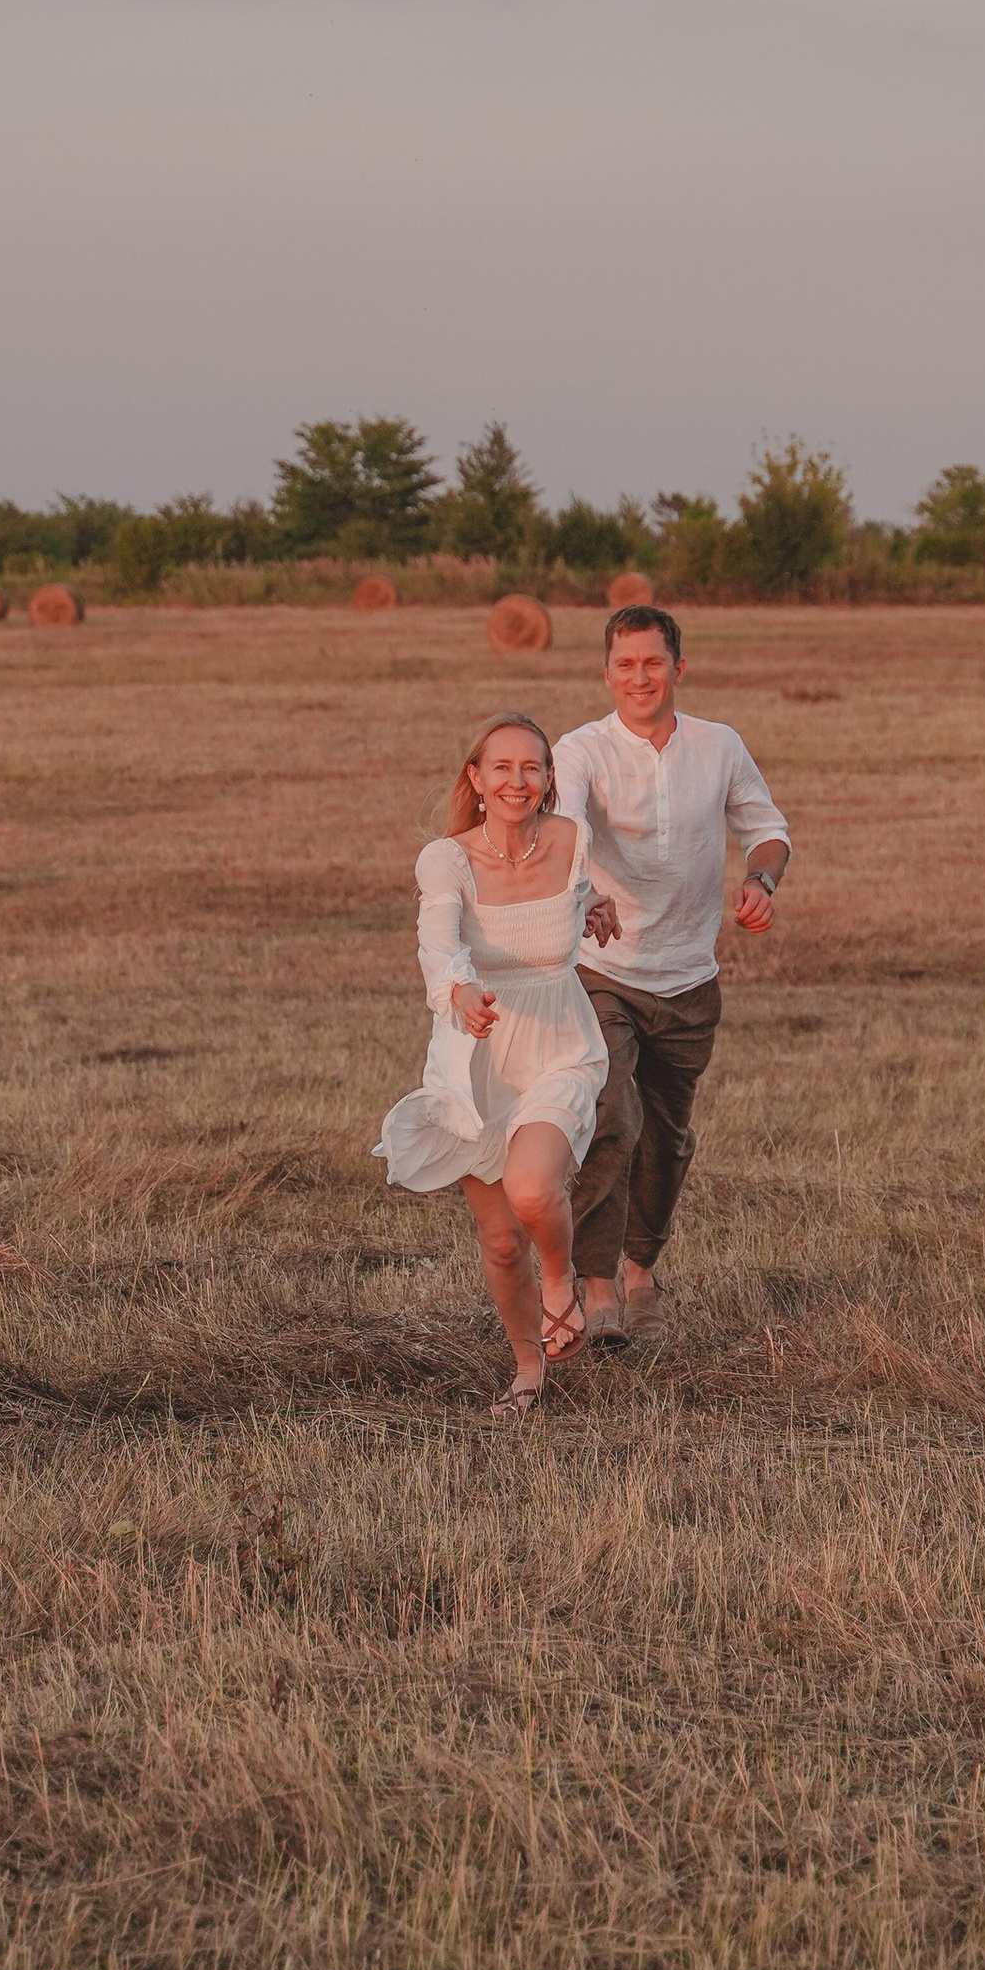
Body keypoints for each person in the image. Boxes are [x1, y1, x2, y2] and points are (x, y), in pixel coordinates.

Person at [551, 603, 790, 1346]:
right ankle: (598, 1292)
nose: (639, 677)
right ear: (607, 673)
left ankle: (641, 1272)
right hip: (602, 972)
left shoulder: (719, 747)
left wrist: (762, 882)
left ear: (679, 668)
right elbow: (564, 827)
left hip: (690, 979)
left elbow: (768, 829)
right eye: (625, 664)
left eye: (653, 662)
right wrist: (582, 892)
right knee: (610, 1122)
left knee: (667, 1135)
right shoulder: (582, 748)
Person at [375, 711, 612, 1414]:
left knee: (534, 1189)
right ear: (475, 780)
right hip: (481, 1056)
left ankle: (563, 1281)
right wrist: (458, 988)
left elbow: (572, 895)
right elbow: (438, 941)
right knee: (502, 1242)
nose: (518, 780)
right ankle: (528, 1369)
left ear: (547, 782)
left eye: (532, 768)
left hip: (561, 1047)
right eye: (501, 768)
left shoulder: (571, 840)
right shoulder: (446, 858)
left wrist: (588, 908)